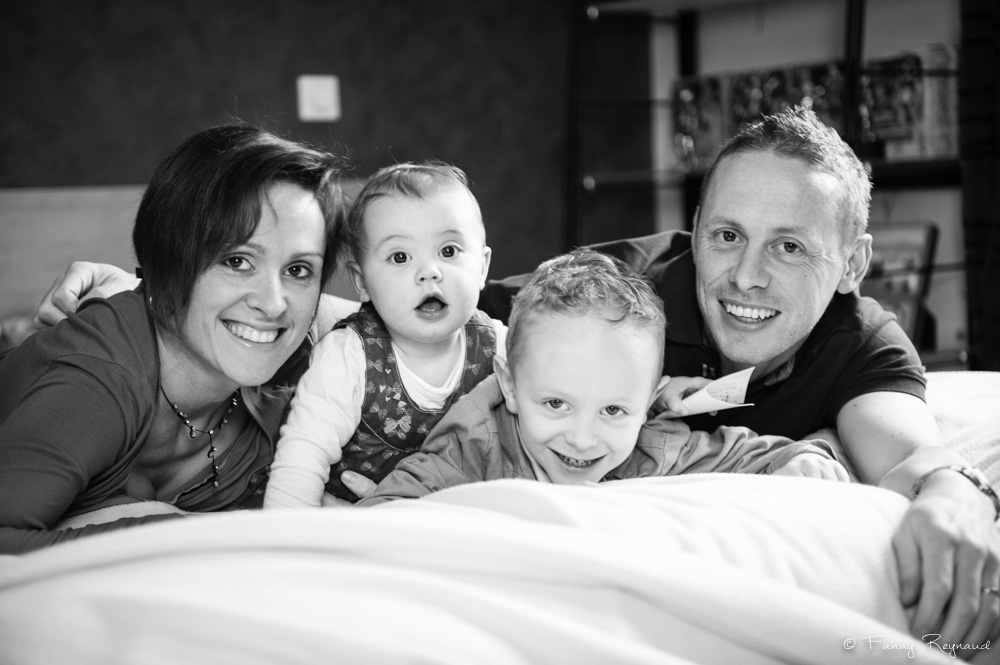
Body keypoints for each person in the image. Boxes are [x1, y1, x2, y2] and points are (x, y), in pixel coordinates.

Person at [31, 108, 1000, 651]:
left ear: (851, 260)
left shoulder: (861, 344)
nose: (744, 276)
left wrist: (955, 493)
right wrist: (169, 283)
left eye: (789, 246)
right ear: (692, 229)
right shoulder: (618, 292)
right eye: (725, 234)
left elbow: (909, 454)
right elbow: (418, 315)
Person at [0, 122, 350, 553]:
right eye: (237, 260)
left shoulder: (314, 341)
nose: (274, 304)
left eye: (298, 270)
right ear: (167, 263)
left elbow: (434, 321)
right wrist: (199, 534)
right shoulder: (101, 373)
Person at [360, 249, 848, 504]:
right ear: (509, 385)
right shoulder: (473, 446)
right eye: (555, 404)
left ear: (648, 401)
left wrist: (803, 460)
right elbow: (385, 516)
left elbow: (750, 454)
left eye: (614, 411)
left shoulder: (653, 445)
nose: (582, 438)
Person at [263, 162, 505, 507]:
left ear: (482, 267)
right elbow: (300, 464)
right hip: (347, 523)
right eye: (400, 256)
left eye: (448, 251)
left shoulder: (501, 349)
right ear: (362, 283)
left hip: (449, 528)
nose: (429, 272)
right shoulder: (349, 357)